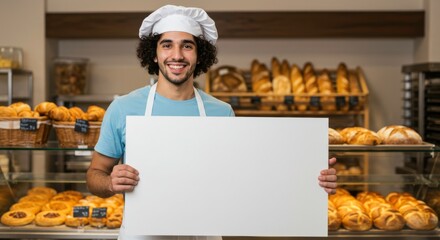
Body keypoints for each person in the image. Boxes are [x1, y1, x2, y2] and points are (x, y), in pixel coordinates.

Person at [86, 4, 337, 240]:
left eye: (187, 46)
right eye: (167, 45)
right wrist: (110, 183)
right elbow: (94, 174)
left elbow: (247, 179)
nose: (177, 55)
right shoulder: (123, 108)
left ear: (199, 55)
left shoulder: (221, 112)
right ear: (154, 54)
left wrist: (307, 177)